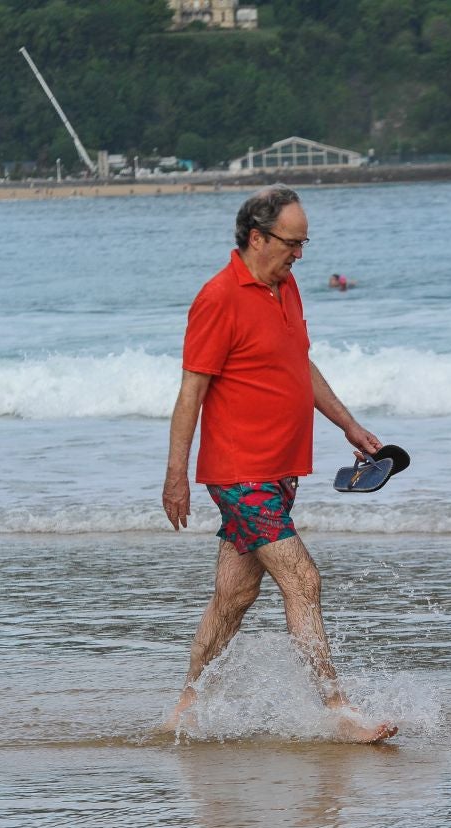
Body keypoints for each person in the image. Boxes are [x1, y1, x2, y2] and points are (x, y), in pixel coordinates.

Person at [160, 185, 397, 744]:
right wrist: (176, 474)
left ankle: (186, 705)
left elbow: (299, 365)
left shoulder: (285, 289)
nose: (299, 254)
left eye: (304, 242)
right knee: (302, 578)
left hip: (280, 470)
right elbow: (191, 391)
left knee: (235, 595)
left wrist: (349, 425)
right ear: (257, 236)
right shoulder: (218, 297)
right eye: (292, 242)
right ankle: (337, 709)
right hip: (239, 473)